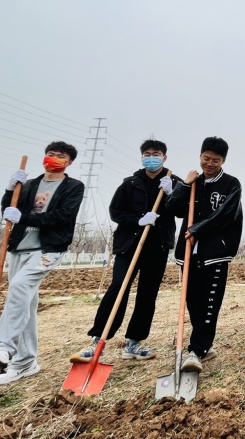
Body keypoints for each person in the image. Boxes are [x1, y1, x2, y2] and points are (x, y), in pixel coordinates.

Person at [70, 139, 181, 364]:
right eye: (147, 154)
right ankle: (98, 339)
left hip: (157, 246)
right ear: (142, 157)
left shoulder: (174, 182)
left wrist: (172, 194)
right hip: (129, 244)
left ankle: (134, 342)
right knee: (118, 287)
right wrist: (138, 220)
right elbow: (115, 212)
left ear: (164, 157)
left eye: (156, 154)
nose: (151, 158)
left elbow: (182, 211)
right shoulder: (130, 183)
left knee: (147, 293)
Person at [0, 141, 84, 384]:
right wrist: (10, 190)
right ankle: (26, 362)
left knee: (19, 287)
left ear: (69, 162)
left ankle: (2, 348)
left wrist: (24, 217)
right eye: (50, 154)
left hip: (47, 249)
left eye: (60, 156)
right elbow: (10, 210)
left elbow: (62, 216)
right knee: (25, 301)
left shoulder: (73, 187)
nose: (53, 158)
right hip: (19, 247)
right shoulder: (28, 185)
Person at [165, 136, 243, 373]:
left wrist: (198, 229)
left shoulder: (231, 184)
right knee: (193, 302)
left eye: (215, 160)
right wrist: (184, 185)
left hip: (215, 252)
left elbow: (225, 215)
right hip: (189, 253)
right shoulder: (193, 182)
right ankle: (204, 345)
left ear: (223, 161)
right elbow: (172, 209)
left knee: (210, 303)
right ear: (200, 156)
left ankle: (196, 350)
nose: (209, 164)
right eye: (206, 159)